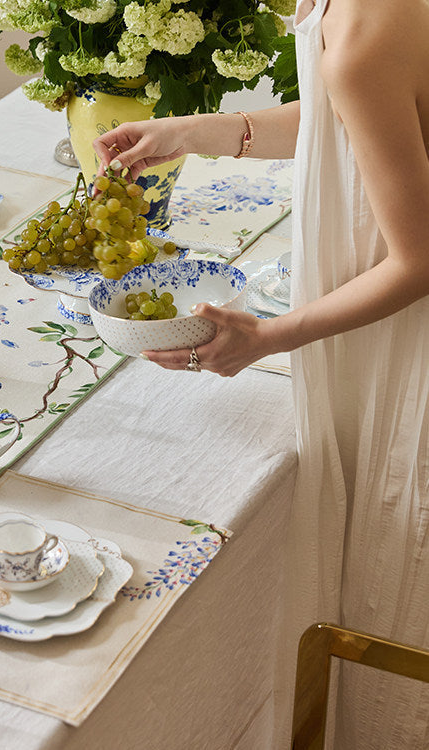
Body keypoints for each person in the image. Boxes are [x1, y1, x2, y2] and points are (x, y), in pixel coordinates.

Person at [93, 0, 429, 748]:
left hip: (399, 340)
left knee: (390, 563)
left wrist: (267, 337)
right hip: (370, 316)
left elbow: (419, 260)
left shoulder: (361, 37)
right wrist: (192, 134)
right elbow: (351, 121)